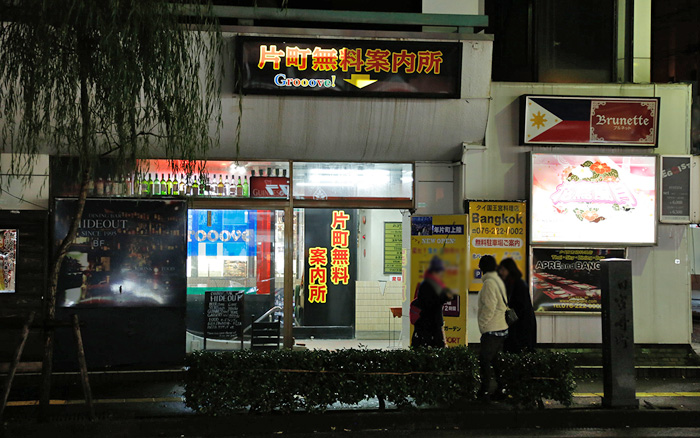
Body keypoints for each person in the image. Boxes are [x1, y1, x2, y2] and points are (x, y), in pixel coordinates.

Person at [477, 255, 508, 400]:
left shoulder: (489, 283)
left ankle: (484, 392)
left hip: (492, 330)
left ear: (482, 268)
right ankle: (501, 389)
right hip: (501, 327)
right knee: (495, 362)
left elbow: (490, 306)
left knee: (484, 361)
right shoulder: (498, 281)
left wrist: (483, 324)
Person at [411, 256, 456, 348]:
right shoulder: (428, 285)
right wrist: (445, 297)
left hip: (431, 324)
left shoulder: (435, 284)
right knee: (433, 349)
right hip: (428, 325)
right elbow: (431, 303)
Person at [498, 258, 537, 353]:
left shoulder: (518, 284)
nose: (501, 272)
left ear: (509, 270)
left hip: (521, 327)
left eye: (503, 269)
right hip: (517, 326)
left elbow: (521, 307)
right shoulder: (512, 283)